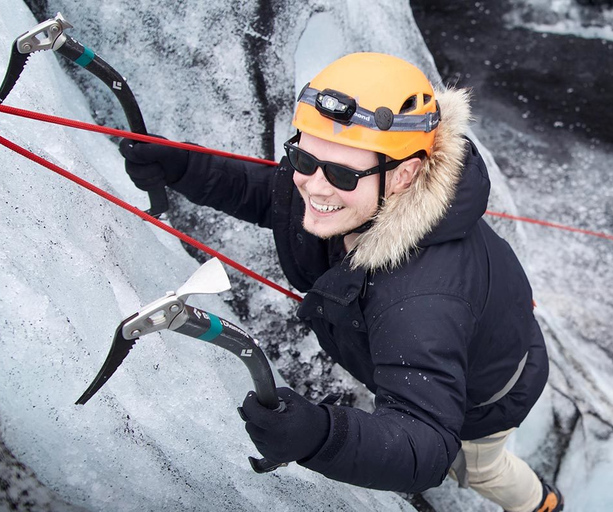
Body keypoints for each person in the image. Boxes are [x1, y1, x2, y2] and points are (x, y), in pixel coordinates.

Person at [119, 53, 563, 512]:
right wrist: (183, 166)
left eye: (342, 173)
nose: (313, 186)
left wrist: (322, 436)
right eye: (303, 157)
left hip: (487, 393)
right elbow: (273, 198)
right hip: (451, 344)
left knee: (481, 468)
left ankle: (541, 503)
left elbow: (427, 443)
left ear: (404, 174)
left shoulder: (421, 297)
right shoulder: (347, 191)